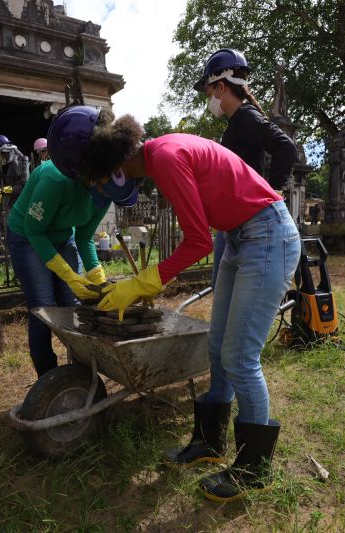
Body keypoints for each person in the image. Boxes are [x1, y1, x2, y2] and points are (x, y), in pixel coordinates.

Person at [47, 108, 301, 503]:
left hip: (267, 236)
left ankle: (255, 470)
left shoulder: (165, 158)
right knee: (218, 346)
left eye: (95, 178)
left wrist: (142, 282)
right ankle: (209, 443)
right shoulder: (160, 153)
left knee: (240, 357)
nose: (97, 188)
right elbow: (206, 229)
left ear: (112, 167)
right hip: (239, 237)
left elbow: (196, 241)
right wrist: (146, 281)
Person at [6, 107, 139, 378]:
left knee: (75, 304)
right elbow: (35, 232)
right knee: (44, 308)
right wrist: (69, 274)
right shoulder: (54, 179)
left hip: (62, 236)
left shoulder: (105, 188)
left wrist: (96, 276)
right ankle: (49, 379)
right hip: (28, 238)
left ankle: (80, 374)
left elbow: (84, 236)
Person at [193, 49, 298, 287]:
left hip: (244, 223)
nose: (208, 98)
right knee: (222, 291)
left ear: (221, 87)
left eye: (209, 91)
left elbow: (286, 147)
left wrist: (272, 191)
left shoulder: (246, 117)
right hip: (231, 223)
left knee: (226, 292)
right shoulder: (236, 122)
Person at [0, 134, 28, 224]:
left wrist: (4, 190)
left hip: (21, 207)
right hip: (16, 206)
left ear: (3, 151)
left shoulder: (17, 161)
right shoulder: (12, 162)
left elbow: (25, 186)